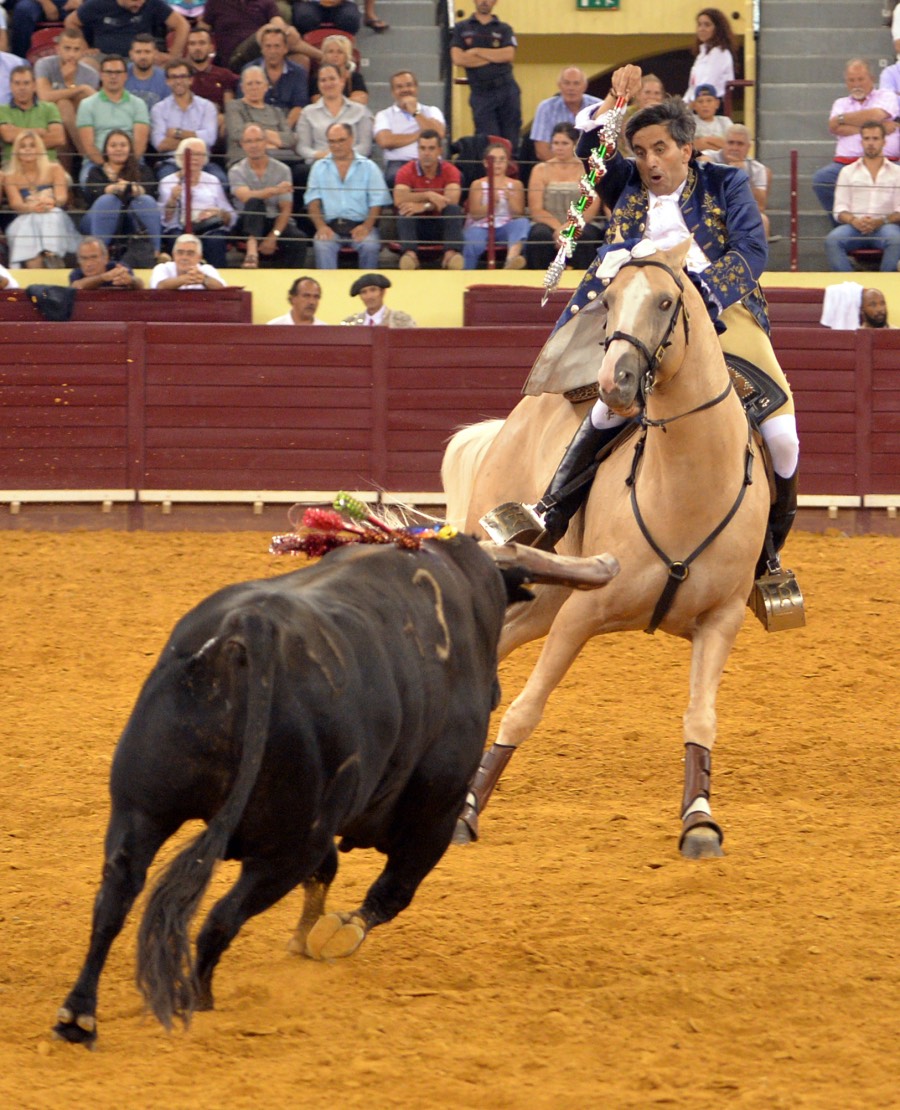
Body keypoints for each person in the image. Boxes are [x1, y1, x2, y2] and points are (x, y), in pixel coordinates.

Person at [493, 70, 800, 588]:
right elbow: (594, 146)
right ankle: (550, 510)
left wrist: (702, 296)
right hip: (635, 317)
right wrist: (617, 99)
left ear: (686, 148)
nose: (650, 161)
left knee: (783, 436)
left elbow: (751, 251)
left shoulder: (726, 182)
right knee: (607, 400)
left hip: (724, 314)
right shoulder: (626, 182)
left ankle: (766, 559)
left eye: (660, 148)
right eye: (640, 150)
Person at [812, 59, 900, 220]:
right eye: (851, 80)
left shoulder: (887, 96)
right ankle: (846, 226)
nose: (856, 84)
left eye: (861, 79)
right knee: (822, 179)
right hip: (846, 163)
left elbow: (876, 115)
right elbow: (833, 126)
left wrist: (844, 120)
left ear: (872, 79)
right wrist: (876, 130)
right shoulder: (840, 103)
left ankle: (890, 227)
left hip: (888, 162)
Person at [304, 121, 390, 269]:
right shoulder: (318, 167)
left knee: (370, 246)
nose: (337, 145)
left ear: (351, 139)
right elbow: (313, 202)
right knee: (322, 245)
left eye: (341, 140)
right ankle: (327, 289)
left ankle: (368, 286)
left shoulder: (369, 167)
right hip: (331, 226)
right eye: (332, 141)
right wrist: (321, 227)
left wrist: (366, 226)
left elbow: (377, 202)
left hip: (361, 225)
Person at [524, 122, 605, 272]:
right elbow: (536, 209)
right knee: (539, 236)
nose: (559, 147)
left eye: (564, 143)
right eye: (555, 143)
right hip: (549, 222)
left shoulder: (588, 169)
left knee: (585, 237)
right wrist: (559, 229)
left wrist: (569, 228)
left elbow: (591, 207)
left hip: (581, 222)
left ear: (575, 144)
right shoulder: (540, 170)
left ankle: (584, 282)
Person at [825, 121, 900, 273]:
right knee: (832, 240)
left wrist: (880, 221)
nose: (871, 143)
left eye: (875, 138)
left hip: (885, 226)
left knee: (896, 240)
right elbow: (839, 208)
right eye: (866, 139)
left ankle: (886, 285)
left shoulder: (897, 173)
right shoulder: (847, 172)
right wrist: (854, 221)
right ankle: (850, 287)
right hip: (854, 227)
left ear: (884, 141)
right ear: (861, 142)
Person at [228, 122, 304, 267]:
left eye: (258, 140)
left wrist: (273, 236)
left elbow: (286, 208)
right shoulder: (236, 170)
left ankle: (291, 282)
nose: (254, 145)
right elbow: (245, 197)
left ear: (266, 142)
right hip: (246, 222)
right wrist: (274, 190)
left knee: (298, 239)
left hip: (273, 220)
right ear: (242, 145)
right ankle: (252, 249)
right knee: (254, 201)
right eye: (249, 141)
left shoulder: (283, 170)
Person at [81, 128, 163, 259]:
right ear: (106, 150)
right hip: (96, 218)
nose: (118, 149)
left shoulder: (142, 170)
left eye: (123, 145)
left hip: (132, 218)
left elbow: (151, 191)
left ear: (130, 149)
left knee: (145, 200)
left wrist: (134, 189)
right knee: (108, 200)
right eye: (113, 145)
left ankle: (155, 253)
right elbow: (92, 195)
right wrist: (114, 187)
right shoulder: (96, 171)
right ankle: (100, 256)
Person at [3, 130, 81, 267]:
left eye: (32, 145)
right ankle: (42, 258)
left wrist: (51, 201)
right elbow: (16, 204)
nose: (27, 149)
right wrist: (31, 207)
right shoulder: (10, 176)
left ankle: (51, 254)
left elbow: (61, 197)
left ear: (39, 149)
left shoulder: (55, 168)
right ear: (17, 151)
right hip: (25, 218)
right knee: (31, 221)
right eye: (23, 146)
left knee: (50, 215)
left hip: (53, 213)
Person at [450, 0, 521, 149]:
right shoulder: (461, 28)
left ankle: (512, 172)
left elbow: (508, 55)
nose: (484, 1)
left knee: (512, 140)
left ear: (495, 2)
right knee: (487, 142)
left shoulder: (504, 28)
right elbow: (458, 58)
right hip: (480, 92)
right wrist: (494, 57)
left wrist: (476, 51)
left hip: (506, 89)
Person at [392, 128, 464, 270]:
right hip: (417, 226)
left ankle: (451, 255)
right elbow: (399, 198)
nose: (426, 153)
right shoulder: (406, 170)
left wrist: (424, 206)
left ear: (439, 151)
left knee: (453, 209)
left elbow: (452, 199)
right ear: (417, 150)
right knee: (404, 209)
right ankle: (410, 256)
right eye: (422, 148)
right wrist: (428, 195)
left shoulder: (450, 170)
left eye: (431, 148)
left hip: (440, 225)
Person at [160, 136, 236, 266]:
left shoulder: (213, 180)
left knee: (216, 240)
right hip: (180, 227)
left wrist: (218, 212)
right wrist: (172, 199)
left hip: (208, 227)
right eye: (191, 154)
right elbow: (165, 220)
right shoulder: (167, 182)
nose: (195, 158)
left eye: (200, 154)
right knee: (177, 239)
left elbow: (231, 215)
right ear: (180, 157)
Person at [76, 54, 151, 184]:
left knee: (144, 184)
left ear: (125, 76)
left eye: (118, 72)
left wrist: (125, 169)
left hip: (132, 162)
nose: (113, 76)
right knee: (88, 182)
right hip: (97, 164)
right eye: (109, 72)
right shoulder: (86, 105)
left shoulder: (139, 104)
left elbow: (140, 144)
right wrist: (107, 167)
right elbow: (88, 146)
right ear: (101, 75)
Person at [34, 29, 100, 172]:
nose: (71, 54)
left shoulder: (90, 74)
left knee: (65, 113)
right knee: (63, 106)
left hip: (76, 120)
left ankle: (67, 181)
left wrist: (69, 84)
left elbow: (94, 106)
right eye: (67, 48)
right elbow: (44, 97)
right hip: (46, 118)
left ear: (83, 51)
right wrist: (77, 87)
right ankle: (88, 157)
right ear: (58, 49)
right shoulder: (44, 65)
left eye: (76, 49)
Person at [461, 139, 528, 270]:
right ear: (486, 163)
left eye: (502, 159)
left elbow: (519, 214)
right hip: (481, 226)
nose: (497, 163)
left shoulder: (516, 184)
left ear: (508, 162)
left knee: (523, 223)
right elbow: (475, 214)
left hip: (505, 226)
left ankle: (511, 261)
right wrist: (492, 202)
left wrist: (510, 199)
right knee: (473, 240)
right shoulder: (478, 184)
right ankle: (466, 272)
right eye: (493, 159)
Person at [373, 70, 445, 187]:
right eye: (399, 87)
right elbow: (385, 141)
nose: (405, 90)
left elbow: (438, 134)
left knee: (456, 177)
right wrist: (420, 135)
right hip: (398, 163)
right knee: (395, 177)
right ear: (393, 92)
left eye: (409, 85)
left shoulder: (432, 111)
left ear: (416, 88)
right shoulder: (383, 115)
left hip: (432, 161)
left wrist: (415, 112)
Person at [151, 59, 220, 179]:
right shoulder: (158, 109)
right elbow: (160, 144)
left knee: (220, 180)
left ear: (190, 80)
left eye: (183, 76)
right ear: (167, 81)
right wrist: (196, 141)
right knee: (167, 181)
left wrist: (177, 133)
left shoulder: (207, 106)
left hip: (203, 163)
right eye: (173, 77)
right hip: (171, 163)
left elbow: (210, 138)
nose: (178, 81)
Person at [294, 63, 372, 165]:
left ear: (342, 81)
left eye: (332, 79)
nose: (328, 84)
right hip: (319, 164)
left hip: (353, 163)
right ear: (318, 84)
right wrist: (321, 155)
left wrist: (343, 156)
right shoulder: (307, 112)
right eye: (323, 80)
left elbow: (365, 146)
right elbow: (302, 148)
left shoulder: (360, 111)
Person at [65, 0, 189, 62]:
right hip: (103, 57)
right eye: (133, 0)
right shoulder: (97, 3)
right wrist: (84, 48)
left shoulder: (152, 3)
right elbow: (71, 22)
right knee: (85, 63)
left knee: (168, 69)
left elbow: (182, 25)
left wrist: (174, 56)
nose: (139, 4)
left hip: (141, 56)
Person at [707, 123, 771, 238]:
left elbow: (760, 206)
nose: (734, 148)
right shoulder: (710, 157)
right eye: (731, 142)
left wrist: (742, 177)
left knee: (763, 220)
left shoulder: (757, 169)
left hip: (740, 213)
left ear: (748, 147)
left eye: (740, 144)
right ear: (723, 143)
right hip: (709, 211)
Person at [224, 64, 295, 165]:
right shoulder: (234, 107)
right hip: (243, 159)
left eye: (258, 83)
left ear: (266, 86)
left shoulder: (276, 111)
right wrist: (272, 141)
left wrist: (256, 135)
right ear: (242, 88)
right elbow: (237, 134)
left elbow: (289, 139)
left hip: (278, 159)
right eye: (249, 84)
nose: (254, 87)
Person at [529, 67, 600, 163]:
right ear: (559, 85)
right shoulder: (545, 108)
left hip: (593, 168)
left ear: (584, 86)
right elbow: (542, 150)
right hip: (554, 167)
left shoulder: (598, 106)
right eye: (567, 83)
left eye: (576, 83)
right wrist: (565, 168)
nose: (571, 88)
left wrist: (582, 169)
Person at [242, 24, 308, 129]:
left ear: (285, 49)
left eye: (277, 46)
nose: (272, 51)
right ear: (262, 49)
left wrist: (283, 131)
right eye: (268, 46)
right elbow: (243, 105)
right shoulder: (248, 71)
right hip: (256, 125)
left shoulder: (298, 72)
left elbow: (299, 106)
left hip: (288, 127)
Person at [0, 65, 65, 165]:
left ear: (34, 85)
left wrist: (18, 137)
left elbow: (58, 138)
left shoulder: (50, 108)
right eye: (17, 83)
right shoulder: (2, 110)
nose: (21, 88)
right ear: (11, 86)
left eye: (26, 83)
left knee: (65, 179)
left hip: (47, 165)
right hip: (13, 166)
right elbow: (8, 136)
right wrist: (39, 131)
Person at [199, 0, 279, 73]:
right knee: (264, 31)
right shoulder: (216, 3)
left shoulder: (266, 2)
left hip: (258, 55)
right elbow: (201, 30)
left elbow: (278, 23)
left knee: (288, 32)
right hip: (230, 58)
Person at [186, 27, 239, 129]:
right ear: (188, 48)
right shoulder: (182, 75)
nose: (197, 48)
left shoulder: (224, 74)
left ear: (211, 47)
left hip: (218, 125)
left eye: (202, 43)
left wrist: (223, 117)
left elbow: (229, 108)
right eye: (192, 44)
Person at [683, 7, 735, 103]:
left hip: (712, 107)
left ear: (717, 29)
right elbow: (692, 87)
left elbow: (706, 86)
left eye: (707, 25)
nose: (702, 29)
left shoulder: (720, 53)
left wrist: (690, 106)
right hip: (698, 104)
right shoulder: (702, 54)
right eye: (699, 25)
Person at [149, 231, 226, 287]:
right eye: (180, 252)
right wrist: (185, 279)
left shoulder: (207, 269)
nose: (184, 257)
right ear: (173, 255)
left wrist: (204, 279)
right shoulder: (162, 268)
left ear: (199, 257)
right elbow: (159, 286)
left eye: (190, 253)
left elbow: (222, 288)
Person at [68, 235, 144, 288]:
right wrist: (103, 278)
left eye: (94, 257)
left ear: (106, 258)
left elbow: (140, 285)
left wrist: (130, 281)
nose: (89, 263)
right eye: (84, 258)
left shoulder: (117, 268)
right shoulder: (77, 274)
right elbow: (78, 286)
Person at [342, 273, 416, 327]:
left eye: (373, 290)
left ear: (383, 292)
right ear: (360, 297)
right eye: (364, 292)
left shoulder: (402, 321)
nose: (369, 296)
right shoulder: (350, 323)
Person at [312, 34, 367, 106]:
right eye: (330, 51)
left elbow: (361, 100)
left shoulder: (355, 77)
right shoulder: (317, 78)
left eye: (340, 52)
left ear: (347, 55)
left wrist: (334, 103)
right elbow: (316, 101)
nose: (335, 55)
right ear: (324, 55)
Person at [125, 33, 170, 110]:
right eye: (138, 52)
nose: (143, 56)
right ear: (131, 54)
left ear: (155, 54)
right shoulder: (121, 74)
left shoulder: (165, 79)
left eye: (147, 52)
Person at [689, 83, 733, 154]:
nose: (705, 105)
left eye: (709, 101)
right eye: (700, 101)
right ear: (694, 105)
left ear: (717, 103)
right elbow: (689, 146)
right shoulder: (689, 122)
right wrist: (719, 144)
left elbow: (731, 147)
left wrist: (705, 140)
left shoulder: (725, 121)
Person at [291, 0, 361, 37]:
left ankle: (345, 50)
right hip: (310, 3)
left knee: (349, 19)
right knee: (304, 18)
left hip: (343, 3)